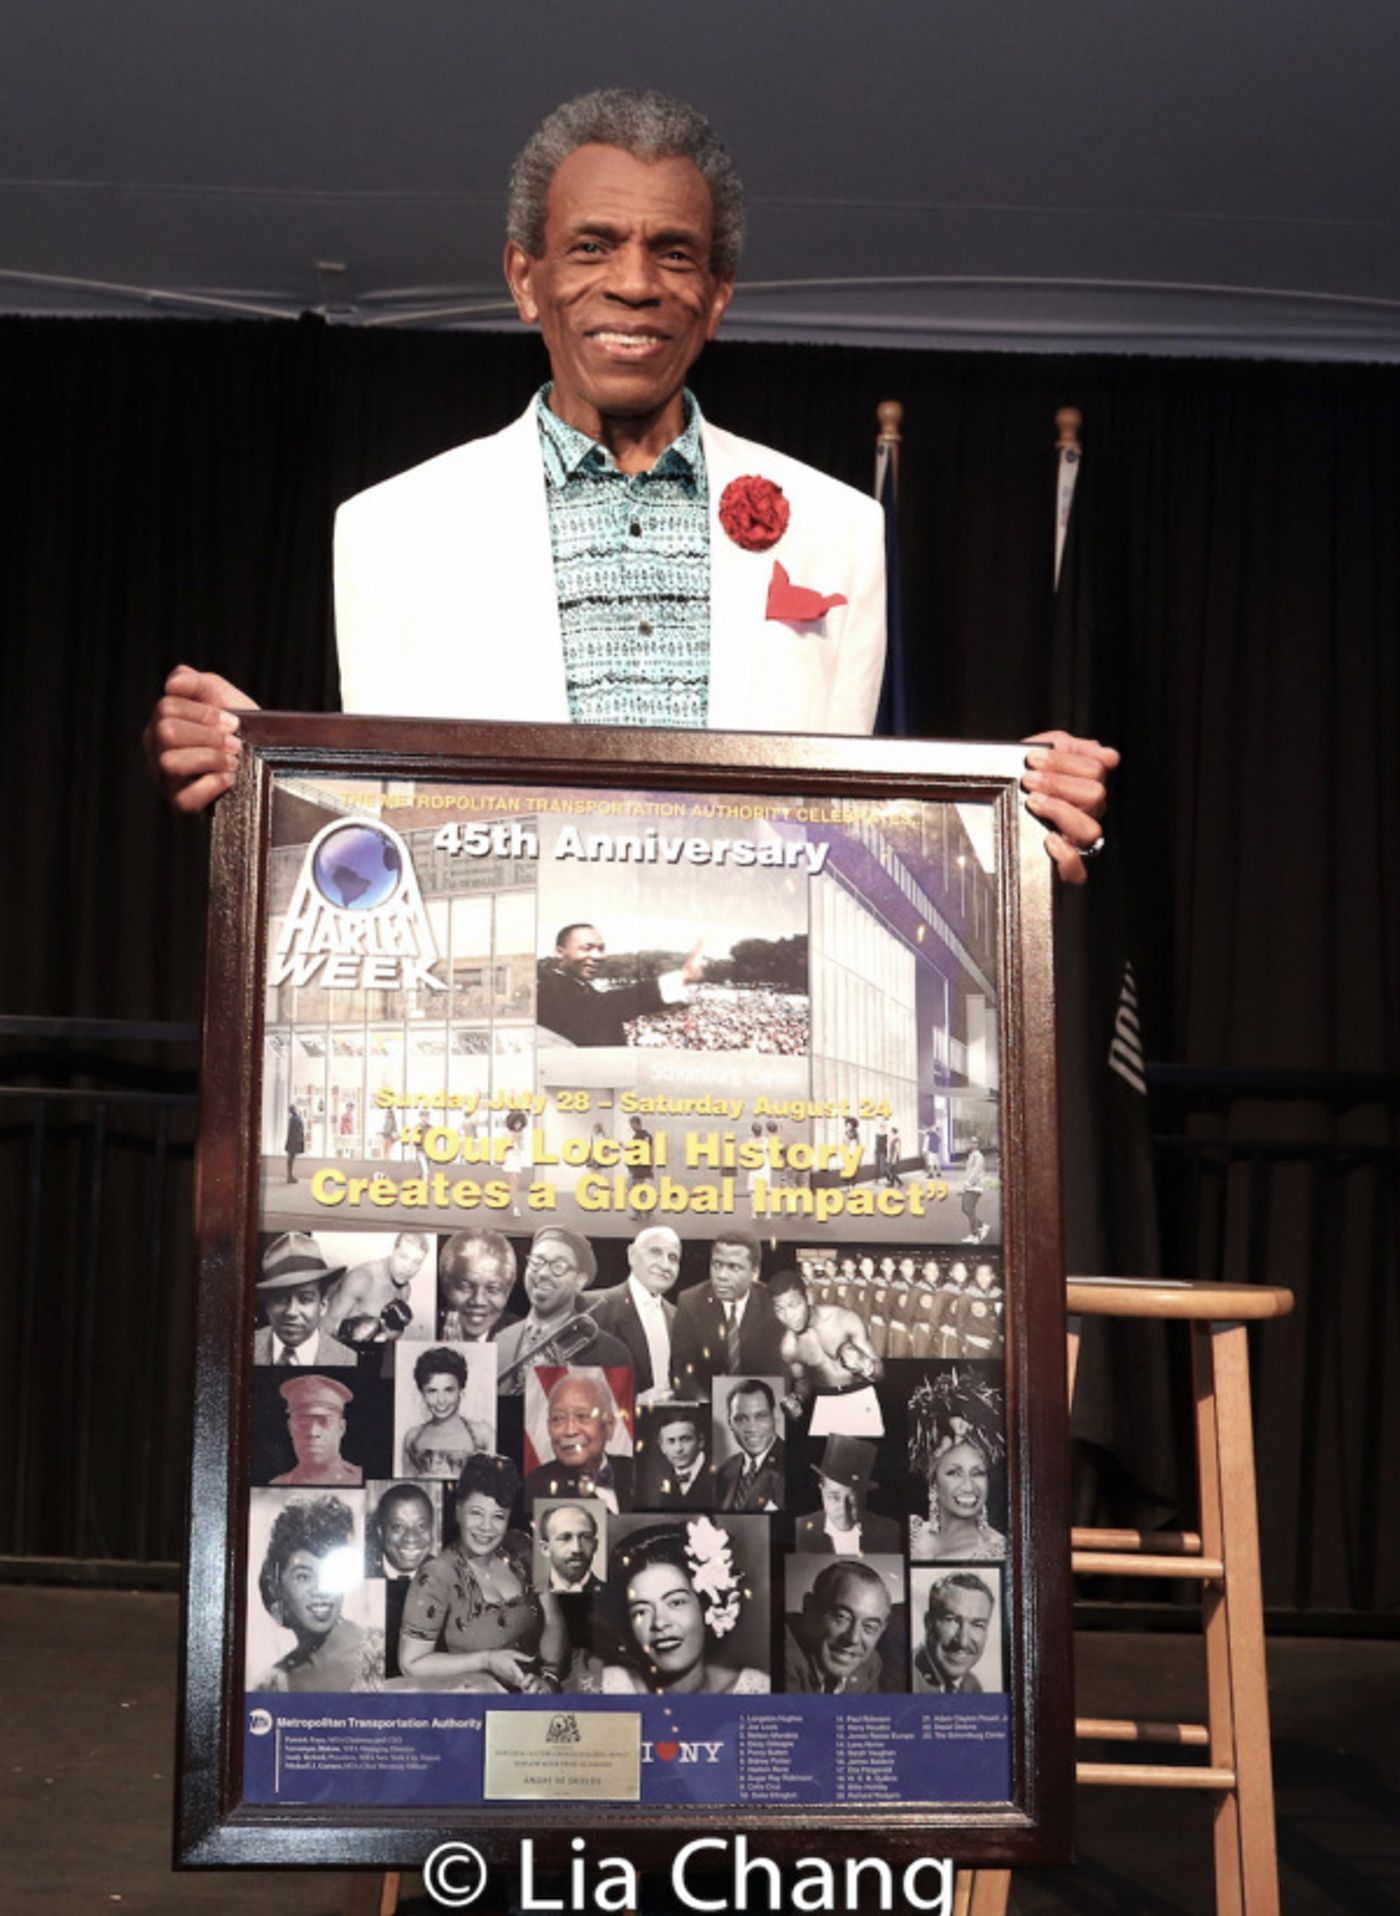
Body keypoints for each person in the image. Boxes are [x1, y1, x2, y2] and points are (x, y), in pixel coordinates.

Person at [144, 89, 1114, 888]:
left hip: (752, 1034)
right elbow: (383, 815)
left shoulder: (835, 528)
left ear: (717, 294)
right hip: (484, 1035)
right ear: (526, 279)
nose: (635, 284)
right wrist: (242, 762)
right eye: (593, 245)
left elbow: (837, 823)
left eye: (673, 252)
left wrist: (1011, 816)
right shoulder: (392, 526)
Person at [399, 1453, 567, 1692]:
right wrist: (486, 1660)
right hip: (484, 1695)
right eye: (476, 1513)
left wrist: (549, 1678)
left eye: (498, 1516)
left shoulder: (524, 1548)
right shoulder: (436, 1575)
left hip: (549, 1683)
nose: (486, 1527)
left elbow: (553, 1620)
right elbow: (411, 1664)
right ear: (458, 1511)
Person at [590, 1521, 768, 1695]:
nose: (659, 1622)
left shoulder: (758, 1690)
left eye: (676, 1602)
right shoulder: (605, 1688)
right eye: (641, 1611)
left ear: (707, 1608)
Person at [252, 1494, 384, 1692]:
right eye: (303, 1577)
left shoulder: (386, 1651)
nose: (321, 1589)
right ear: (278, 1586)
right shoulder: (270, 1687)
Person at [493, 1226, 631, 1392]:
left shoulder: (612, 1354)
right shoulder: (501, 1339)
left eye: (558, 1266)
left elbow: (612, 1416)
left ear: (579, 1281)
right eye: (537, 1262)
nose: (543, 1273)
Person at [537, 922, 705, 1048]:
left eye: (601, 949)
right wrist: (683, 976)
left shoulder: (581, 987)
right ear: (560, 952)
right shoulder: (549, 990)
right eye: (586, 948)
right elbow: (605, 1007)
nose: (596, 956)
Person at [908, 1367, 1007, 1561]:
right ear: (933, 1480)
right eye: (954, 1473)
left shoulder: (999, 1552)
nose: (969, 1486)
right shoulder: (911, 1533)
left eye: (977, 1472)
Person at [769, 1266, 883, 1435]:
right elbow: (803, 1381)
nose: (789, 1316)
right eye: (780, 1310)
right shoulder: (789, 1347)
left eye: (794, 1305)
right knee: (821, 1462)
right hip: (825, 1403)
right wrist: (797, 1399)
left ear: (807, 1297)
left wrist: (866, 1365)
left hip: (861, 1398)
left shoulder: (844, 1319)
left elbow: (880, 1373)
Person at [669, 1230, 784, 1396]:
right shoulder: (690, 1302)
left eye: (734, 1267)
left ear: (754, 1272)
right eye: (717, 1265)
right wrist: (713, 1410)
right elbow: (683, 1373)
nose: (721, 1276)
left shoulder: (773, 1303)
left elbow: (781, 1370)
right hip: (707, 1406)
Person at [583, 1222, 681, 1403]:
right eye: (656, 1252)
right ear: (632, 1255)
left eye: (673, 1258)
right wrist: (632, 1402)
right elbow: (572, 1384)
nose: (665, 1265)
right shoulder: (591, 1307)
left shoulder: (679, 1318)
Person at [524, 1370, 634, 1514]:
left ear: (609, 1426)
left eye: (582, 1416)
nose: (570, 1430)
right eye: (558, 1419)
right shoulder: (533, 1488)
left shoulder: (635, 1471)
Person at [783, 1561, 896, 1694]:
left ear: (882, 1630)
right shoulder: (783, 1656)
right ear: (810, 1609)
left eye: (869, 1626)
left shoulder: (869, 1664)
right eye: (841, 1617)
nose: (853, 1638)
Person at [253, 1232, 356, 1367]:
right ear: (267, 1305)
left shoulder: (348, 1361)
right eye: (280, 1299)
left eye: (305, 1299)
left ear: (323, 1305)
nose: (291, 1312)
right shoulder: (243, 1349)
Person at [794, 1435, 900, 1554]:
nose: (844, 1510)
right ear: (821, 1490)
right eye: (834, 1497)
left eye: (852, 1499)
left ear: (863, 1496)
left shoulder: (889, 1532)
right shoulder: (798, 1530)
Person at [401, 1346, 492, 1479]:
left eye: (449, 1390)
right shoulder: (412, 1438)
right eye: (432, 1391)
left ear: (460, 1390)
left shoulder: (483, 1434)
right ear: (422, 1393)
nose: (441, 1400)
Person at [325, 1230, 430, 1344]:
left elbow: (390, 1334)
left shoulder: (404, 1290)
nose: (408, 1267)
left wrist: (385, 1333)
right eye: (403, 1257)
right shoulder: (362, 1279)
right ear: (393, 1252)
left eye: (417, 1262)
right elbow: (326, 1326)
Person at [270, 1374, 362, 1486]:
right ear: (290, 1428)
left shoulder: (359, 1479)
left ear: (341, 1428)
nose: (313, 1433)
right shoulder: (278, 1484)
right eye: (302, 1422)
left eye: (324, 1421)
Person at [913, 1573, 996, 1694]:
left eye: (978, 1625)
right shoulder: (903, 1679)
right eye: (951, 1620)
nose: (963, 1641)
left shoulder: (972, 1686)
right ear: (928, 1623)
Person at [438, 1227, 521, 1343]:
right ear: (446, 1286)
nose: (478, 1301)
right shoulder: (422, 1329)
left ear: (507, 1291)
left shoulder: (523, 1337)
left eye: (492, 1289)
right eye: (466, 1286)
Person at [715, 1378, 784, 1512]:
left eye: (760, 1416)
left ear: (775, 1416)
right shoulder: (724, 1471)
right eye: (741, 1419)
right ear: (730, 1423)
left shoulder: (792, 1465)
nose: (752, 1428)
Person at [643, 1404, 711, 1508]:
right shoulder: (661, 1482)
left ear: (700, 1441)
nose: (678, 1448)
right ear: (662, 1447)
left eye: (685, 1439)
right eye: (671, 1441)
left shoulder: (718, 1477)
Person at [368, 1483, 436, 1579]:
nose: (411, 1538)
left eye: (421, 1526)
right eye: (398, 1527)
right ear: (381, 1532)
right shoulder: (365, 1571)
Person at [537, 1502, 604, 1594]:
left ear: (595, 1545)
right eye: (565, 1538)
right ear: (545, 1549)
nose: (576, 1549)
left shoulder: (613, 1594)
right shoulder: (529, 1595)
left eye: (585, 1537)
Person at [961, 1135, 988, 1243]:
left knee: (968, 1209)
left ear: (978, 1145)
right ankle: (981, 1225)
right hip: (970, 1186)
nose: (973, 1144)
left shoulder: (978, 1157)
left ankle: (975, 1235)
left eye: (975, 1142)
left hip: (975, 1187)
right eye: (971, 1142)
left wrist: (967, 1184)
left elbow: (975, 1173)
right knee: (965, 1208)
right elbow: (969, 1172)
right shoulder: (972, 1155)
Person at [284, 1104, 305, 1185]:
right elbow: (296, 1131)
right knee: (291, 1159)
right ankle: (290, 1176)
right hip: (294, 1142)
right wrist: (298, 1141)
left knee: (291, 1159)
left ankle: (290, 1176)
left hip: (293, 1141)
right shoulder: (294, 1119)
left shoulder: (294, 1118)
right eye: (295, 1108)